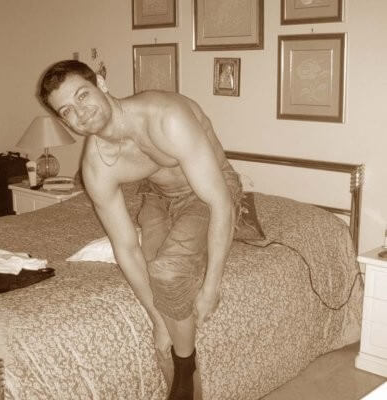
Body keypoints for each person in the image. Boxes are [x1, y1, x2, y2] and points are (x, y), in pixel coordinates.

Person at [38, 60, 243, 400]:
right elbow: (126, 248)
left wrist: (211, 287)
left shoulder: (166, 117)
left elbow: (220, 202)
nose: (80, 113)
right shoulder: (96, 168)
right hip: (157, 197)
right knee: (157, 290)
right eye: (67, 110)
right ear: (64, 122)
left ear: (101, 83)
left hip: (210, 192)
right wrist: (157, 320)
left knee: (167, 274)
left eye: (82, 95)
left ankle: (185, 366)